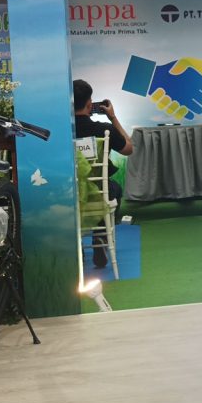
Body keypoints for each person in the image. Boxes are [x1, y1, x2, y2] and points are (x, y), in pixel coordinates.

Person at [73, 79, 133, 267]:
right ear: (89, 104)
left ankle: (76, 245)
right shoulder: (103, 129)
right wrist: (112, 118)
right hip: (99, 192)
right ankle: (100, 237)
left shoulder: (62, 132)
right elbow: (129, 148)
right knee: (113, 188)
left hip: (69, 192)